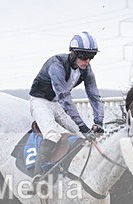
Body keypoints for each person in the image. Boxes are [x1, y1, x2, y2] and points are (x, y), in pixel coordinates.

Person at [28, 32, 105, 181]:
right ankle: (38, 175)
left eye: (91, 57)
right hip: (40, 102)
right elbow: (64, 97)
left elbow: (94, 96)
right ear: (73, 53)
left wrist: (98, 121)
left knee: (82, 136)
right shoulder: (56, 64)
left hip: (56, 104)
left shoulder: (86, 69)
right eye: (83, 56)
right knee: (52, 135)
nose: (87, 61)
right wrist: (83, 125)